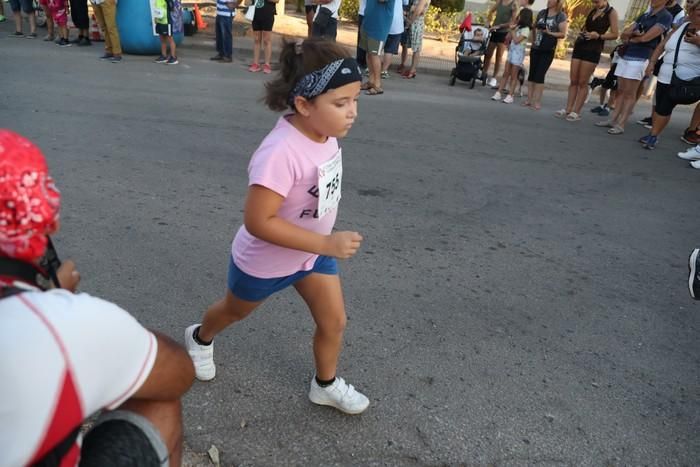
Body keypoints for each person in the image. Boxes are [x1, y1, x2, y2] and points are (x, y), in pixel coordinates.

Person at [185, 39, 370, 415]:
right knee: (233, 312)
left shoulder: (326, 134)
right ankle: (200, 338)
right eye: (341, 103)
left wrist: (321, 245)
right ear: (304, 105)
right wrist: (328, 244)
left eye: (356, 101)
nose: (352, 113)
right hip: (265, 263)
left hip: (312, 254)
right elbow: (257, 221)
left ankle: (325, 384)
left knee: (334, 321)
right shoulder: (280, 152)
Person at [0, 129, 195, 466]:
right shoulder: (59, 325)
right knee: (154, 399)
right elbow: (178, 372)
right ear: (44, 222)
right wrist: (52, 301)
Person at [595, 0, 671, 134]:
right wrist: (634, 36)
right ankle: (613, 120)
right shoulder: (645, 15)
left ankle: (621, 124)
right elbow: (624, 33)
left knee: (630, 93)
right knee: (620, 91)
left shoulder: (665, 16)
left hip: (641, 57)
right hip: (627, 55)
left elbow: (646, 38)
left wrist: (633, 36)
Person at [638, 0, 700, 149]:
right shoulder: (681, 26)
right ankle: (653, 134)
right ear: (691, 11)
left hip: (685, 78)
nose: (699, 12)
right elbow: (662, 45)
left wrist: (698, 41)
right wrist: (652, 63)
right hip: (665, 74)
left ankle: (653, 136)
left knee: (664, 107)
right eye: (697, 9)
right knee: (660, 106)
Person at [556, 0, 618, 121]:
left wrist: (599, 36)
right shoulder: (593, 10)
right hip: (581, 45)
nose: (595, 3)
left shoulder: (612, 12)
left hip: (594, 49)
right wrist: (582, 33)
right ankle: (568, 109)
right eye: (594, 2)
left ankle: (576, 112)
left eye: (597, 1)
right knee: (573, 80)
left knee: (582, 82)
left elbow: (615, 34)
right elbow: (587, 26)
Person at [523, 0, 567, 110]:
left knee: (540, 75)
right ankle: (529, 99)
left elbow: (562, 34)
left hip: (547, 49)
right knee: (532, 74)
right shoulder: (542, 13)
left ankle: (537, 101)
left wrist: (550, 33)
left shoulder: (560, 16)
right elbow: (533, 27)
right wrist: (533, 40)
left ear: (557, 2)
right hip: (536, 47)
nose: (549, 1)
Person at [491, 7, 532, 103]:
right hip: (512, 51)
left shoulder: (526, 29)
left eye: (520, 15)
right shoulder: (517, 27)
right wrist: (511, 30)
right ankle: (499, 92)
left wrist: (513, 31)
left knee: (514, 75)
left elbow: (517, 40)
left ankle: (510, 95)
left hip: (518, 53)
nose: (518, 17)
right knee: (506, 73)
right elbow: (509, 38)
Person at [361, 0, 396, 93]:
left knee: (375, 55)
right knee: (369, 54)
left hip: (379, 27)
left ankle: (377, 84)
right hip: (368, 24)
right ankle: (371, 81)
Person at [484, 0, 518, 88]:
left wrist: (500, 26)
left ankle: (494, 78)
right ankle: (483, 74)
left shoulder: (513, 4)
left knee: (499, 56)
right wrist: (488, 21)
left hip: (504, 32)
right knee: (488, 54)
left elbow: (513, 22)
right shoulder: (500, 2)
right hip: (494, 31)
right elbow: (491, 11)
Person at [401, 0, 429, 79]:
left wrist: (409, 22)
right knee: (415, 48)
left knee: (416, 49)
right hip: (415, 23)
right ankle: (412, 69)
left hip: (416, 25)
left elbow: (418, 11)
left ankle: (412, 70)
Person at [249, 0, 279, 74]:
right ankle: (255, 63)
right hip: (256, 13)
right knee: (256, 39)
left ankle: (267, 64)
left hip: (268, 13)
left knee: (266, 40)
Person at [380, 0, 405, 78]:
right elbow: (405, 3)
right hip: (397, 24)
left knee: (378, 48)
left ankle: (371, 68)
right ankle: (383, 71)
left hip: (383, 20)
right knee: (389, 50)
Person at [154, 0, 180, 65]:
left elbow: (172, 8)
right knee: (162, 39)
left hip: (166, 22)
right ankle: (164, 56)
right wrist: (156, 18)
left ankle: (173, 57)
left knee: (170, 39)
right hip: (159, 22)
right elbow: (157, 9)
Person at [356, 0, 368, 72]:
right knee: (361, 38)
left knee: (365, 38)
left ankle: (363, 61)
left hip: (366, 13)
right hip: (363, 13)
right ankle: (360, 60)